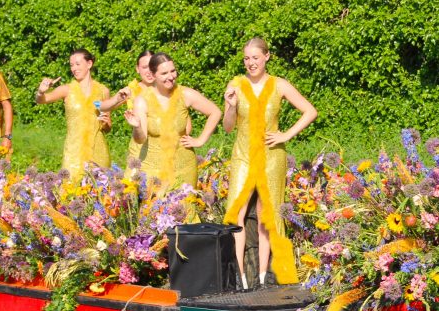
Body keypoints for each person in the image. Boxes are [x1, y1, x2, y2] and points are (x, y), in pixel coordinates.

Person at [222, 38, 317, 288]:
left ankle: (264, 276)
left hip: (272, 156)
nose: (251, 63)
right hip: (242, 154)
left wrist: (286, 134)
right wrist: (231, 107)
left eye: (255, 57)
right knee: (236, 211)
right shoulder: (236, 85)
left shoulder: (279, 85)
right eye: (246, 58)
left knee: (268, 213)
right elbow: (227, 127)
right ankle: (238, 276)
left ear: (267, 57)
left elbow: (310, 111)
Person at [122, 52, 221, 191]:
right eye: (164, 73)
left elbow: (215, 112)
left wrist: (200, 140)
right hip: (153, 169)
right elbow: (140, 138)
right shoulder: (142, 100)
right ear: (153, 74)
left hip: (184, 167)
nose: (171, 77)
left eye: (173, 71)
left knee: (186, 210)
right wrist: (137, 127)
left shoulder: (185, 94)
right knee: (155, 209)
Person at [34, 49, 111, 179]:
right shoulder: (66, 90)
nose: (74, 68)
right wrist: (40, 92)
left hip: (98, 151)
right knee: (70, 191)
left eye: (77, 64)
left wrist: (106, 123)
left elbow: (108, 127)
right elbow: (42, 100)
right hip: (73, 153)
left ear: (89, 64)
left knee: (99, 194)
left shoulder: (103, 91)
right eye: (71, 65)